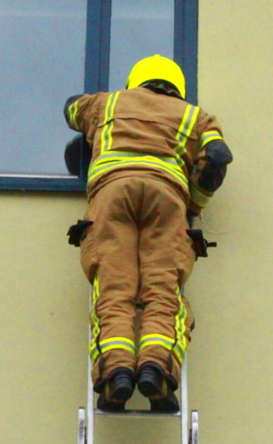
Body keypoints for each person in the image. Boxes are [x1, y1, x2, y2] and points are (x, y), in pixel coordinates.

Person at [64, 55, 232, 411]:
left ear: (135, 83)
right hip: (165, 201)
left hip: (112, 197)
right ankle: (156, 369)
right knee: (162, 291)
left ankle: (116, 375)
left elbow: (70, 109)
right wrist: (194, 205)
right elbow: (216, 157)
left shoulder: (106, 103)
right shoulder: (196, 116)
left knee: (114, 290)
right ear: (177, 88)